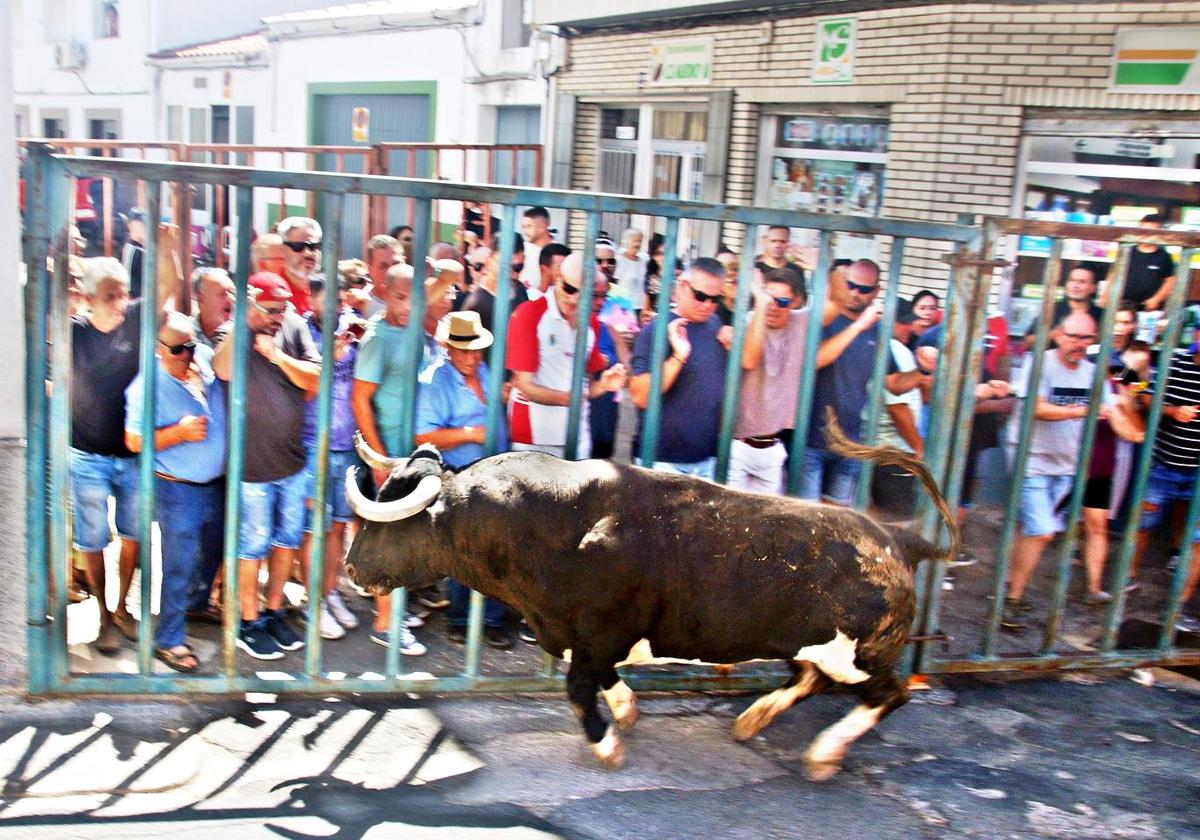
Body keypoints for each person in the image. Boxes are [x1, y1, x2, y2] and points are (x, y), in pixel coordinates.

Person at [1001, 312, 1137, 630]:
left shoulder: (1093, 373)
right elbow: (1036, 407)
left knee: (1029, 529)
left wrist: (1132, 430)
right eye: (1073, 337)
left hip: (1066, 465)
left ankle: (1008, 586)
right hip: (1030, 459)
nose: (1079, 344)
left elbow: (1111, 411)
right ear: (1059, 335)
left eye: (1087, 338)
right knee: (1043, 530)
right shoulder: (1040, 363)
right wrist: (1082, 410)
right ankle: (1013, 599)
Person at [351, 259, 461, 655]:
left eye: (414, 297)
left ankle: (397, 612)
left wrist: (433, 266)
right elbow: (359, 399)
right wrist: (380, 462)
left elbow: (450, 274)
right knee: (390, 542)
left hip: (412, 452)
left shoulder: (410, 319)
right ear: (382, 292)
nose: (409, 304)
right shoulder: (378, 337)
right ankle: (385, 625)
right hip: (390, 455)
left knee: (407, 537)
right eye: (399, 296)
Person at [212, 272, 321, 659]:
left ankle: (274, 611)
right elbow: (222, 370)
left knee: (287, 541)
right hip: (251, 469)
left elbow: (315, 379)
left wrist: (277, 355)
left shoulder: (292, 330)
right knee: (252, 546)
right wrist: (244, 323)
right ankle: (248, 620)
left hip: (291, 461)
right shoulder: (230, 332)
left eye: (283, 308)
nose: (278, 316)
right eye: (270, 309)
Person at [124, 312, 226, 672]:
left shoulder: (201, 366)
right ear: (157, 348)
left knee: (212, 551)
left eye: (191, 346)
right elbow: (134, 440)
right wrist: (178, 433)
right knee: (179, 565)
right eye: (177, 349)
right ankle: (168, 640)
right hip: (177, 488)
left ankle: (197, 605)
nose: (186, 354)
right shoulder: (145, 385)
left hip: (214, 484)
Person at [415, 311, 513, 649]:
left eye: (477, 350)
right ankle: (459, 618)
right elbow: (423, 435)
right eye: (465, 350)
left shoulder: (485, 370)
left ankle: (492, 620)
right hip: (461, 475)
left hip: (498, 472)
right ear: (448, 349)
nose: (472, 357)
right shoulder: (434, 381)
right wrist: (469, 434)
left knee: (497, 550)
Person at [70, 258, 150, 652]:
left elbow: (167, 288)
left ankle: (121, 608)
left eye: (123, 294)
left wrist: (167, 247)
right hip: (87, 455)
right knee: (93, 539)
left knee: (134, 536)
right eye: (110, 296)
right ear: (88, 299)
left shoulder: (134, 320)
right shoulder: (72, 334)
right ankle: (102, 615)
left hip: (132, 455)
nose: (120, 302)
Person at [506, 252, 627, 459]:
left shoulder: (592, 324)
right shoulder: (529, 314)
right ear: (557, 277)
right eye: (569, 289)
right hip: (532, 437)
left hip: (575, 436)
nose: (573, 299)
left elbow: (584, 389)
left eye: (582, 293)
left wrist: (604, 386)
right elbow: (524, 384)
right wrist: (568, 399)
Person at [299, 276, 363, 641]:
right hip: (312, 445)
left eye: (341, 300)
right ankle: (312, 604)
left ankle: (329, 592)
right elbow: (300, 390)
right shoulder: (301, 332)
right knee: (314, 529)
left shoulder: (351, 326)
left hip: (346, 444)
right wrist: (329, 358)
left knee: (338, 527)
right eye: (330, 301)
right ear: (312, 298)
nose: (337, 308)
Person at [802, 259, 891, 505]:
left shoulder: (879, 330)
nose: (854, 292)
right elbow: (816, 359)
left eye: (863, 289)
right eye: (850, 285)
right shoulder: (826, 319)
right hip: (812, 438)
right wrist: (860, 326)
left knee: (840, 521)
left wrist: (924, 371)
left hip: (850, 441)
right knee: (807, 520)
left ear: (876, 291)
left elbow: (893, 382)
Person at [629, 257, 729, 479]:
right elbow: (640, 396)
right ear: (683, 286)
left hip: (707, 461)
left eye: (715, 299)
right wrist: (678, 356)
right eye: (701, 296)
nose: (707, 305)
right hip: (661, 461)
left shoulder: (716, 325)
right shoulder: (657, 330)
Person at [1132, 327, 1200, 632]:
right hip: (1165, 463)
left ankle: (1178, 606)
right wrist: (1174, 411)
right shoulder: (1175, 362)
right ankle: (1128, 576)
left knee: (1197, 539)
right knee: (1144, 524)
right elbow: (1146, 397)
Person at [729, 267, 808, 494]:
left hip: (773, 445)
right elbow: (749, 360)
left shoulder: (799, 321)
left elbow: (835, 303)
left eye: (781, 301)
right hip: (738, 444)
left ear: (795, 302)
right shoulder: (751, 321)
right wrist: (761, 304)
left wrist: (823, 263)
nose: (773, 306)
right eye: (767, 299)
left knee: (768, 522)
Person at [868, 300, 928, 517]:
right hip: (893, 450)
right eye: (903, 323)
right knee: (898, 524)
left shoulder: (877, 346)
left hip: (878, 448)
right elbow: (897, 407)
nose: (909, 328)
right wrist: (918, 447)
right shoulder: (894, 350)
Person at [1100, 213, 1176, 312]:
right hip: (1121, 309)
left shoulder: (1164, 257)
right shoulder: (1126, 252)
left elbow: (1170, 282)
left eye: (1151, 231)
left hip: (1148, 311)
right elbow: (1113, 275)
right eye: (1143, 230)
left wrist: (1156, 299)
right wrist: (1105, 295)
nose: (1146, 234)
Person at [1024, 263, 1105, 350]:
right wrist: (1053, 334)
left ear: (1093, 288)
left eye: (1082, 282)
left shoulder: (1101, 315)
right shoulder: (1052, 310)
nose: (1075, 286)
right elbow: (1027, 343)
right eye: (1072, 280)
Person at [463, 235, 527, 334]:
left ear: (524, 259)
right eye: (505, 267)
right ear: (490, 260)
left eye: (518, 267)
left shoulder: (520, 289)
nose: (511, 274)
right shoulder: (477, 303)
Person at [276, 216, 323, 316]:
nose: (308, 253)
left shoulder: (329, 288)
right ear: (282, 250)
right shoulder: (270, 288)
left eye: (313, 246)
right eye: (298, 246)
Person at [362, 234, 406, 319]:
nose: (391, 271)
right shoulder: (360, 304)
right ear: (369, 268)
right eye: (383, 266)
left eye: (396, 264)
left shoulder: (416, 302)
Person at [191, 266, 235, 350]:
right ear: (201, 299)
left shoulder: (241, 335)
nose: (231, 299)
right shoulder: (185, 333)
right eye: (223, 294)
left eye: (232, 293)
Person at [519, 206, 554, 292]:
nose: (525, 231)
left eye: (529, 226)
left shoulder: (558, 253)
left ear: (542, 226)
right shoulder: (521, 249)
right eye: (523, 227)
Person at [613, 228, 647, 303]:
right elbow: (614, 284)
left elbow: (643, 285)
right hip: (622, 305)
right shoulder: (619, 259)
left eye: (640, 241)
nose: (638, 244)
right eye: (635, 241)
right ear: (626, 242)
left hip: (639, 305)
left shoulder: (643, 261)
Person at [119, 208, 146, 299]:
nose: (144, 227)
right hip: (136, 306)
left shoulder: (143, 250)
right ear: (130, 225)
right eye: (140, 224)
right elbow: (128, 288)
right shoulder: (131, 250)